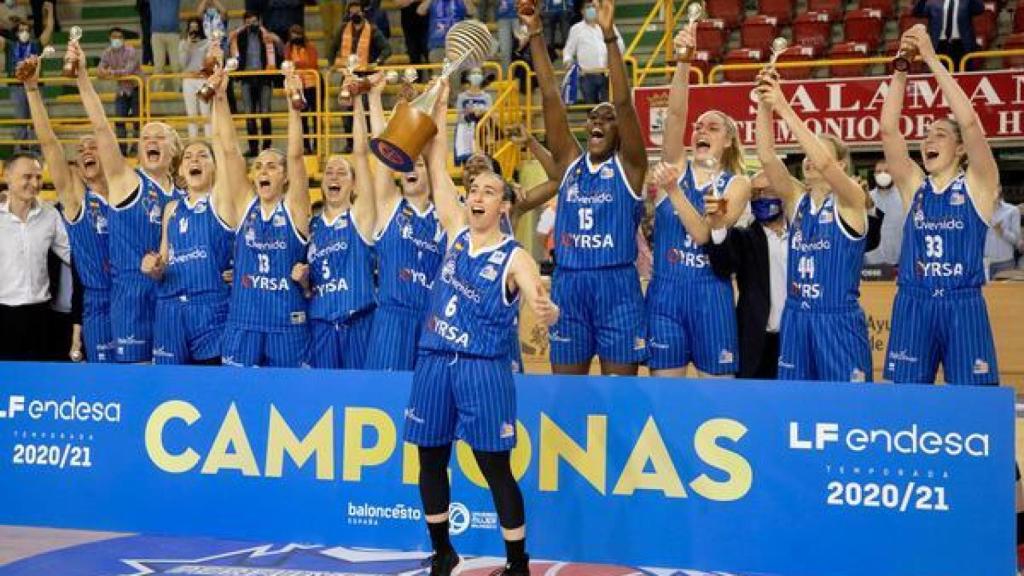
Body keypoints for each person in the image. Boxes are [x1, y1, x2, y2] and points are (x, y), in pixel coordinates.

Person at [406, 78, 559, 576]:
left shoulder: (512, 256)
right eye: (473, 189)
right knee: (430, 459)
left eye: (489, 191)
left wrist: (545, 309)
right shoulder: (454, 231)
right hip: (433, 361)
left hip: (483, 369)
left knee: (496, 468)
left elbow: (535, 289)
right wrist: (443, 108)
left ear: (505, 206)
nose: (476, 196)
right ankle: (442, 551)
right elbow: (433, 160)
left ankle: (518, 563)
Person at [525, 0, 649, 376]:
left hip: (618, 288)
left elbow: (625, 102)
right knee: (568, 395)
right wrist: (534, 32)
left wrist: (610, 37)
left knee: (620, 395)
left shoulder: (631, 167)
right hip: (570, 286)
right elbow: (550, 95)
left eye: (607, 119)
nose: (597, 120)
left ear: (618, 131)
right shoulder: (569, 165)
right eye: (593, 116)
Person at [880, 24, 999, 385]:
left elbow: (970, 122)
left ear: (960, 148)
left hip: (963, 303)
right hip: (914, 302)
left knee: (973, 401)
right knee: (903, 401)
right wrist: (902, 68)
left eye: (940, 135)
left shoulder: (979, 183)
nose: (929, 139)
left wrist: (931, 57)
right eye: (926, 134)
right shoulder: (915, 185)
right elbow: (888, 131)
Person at [644, 26, 750, 378]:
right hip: (666, 292)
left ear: (730, 142)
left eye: (713, 127)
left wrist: (674, 192)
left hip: (711, 295)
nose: (701, 130)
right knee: (665, 395)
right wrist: (683, 62)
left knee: (717, 394)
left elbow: (707, 235)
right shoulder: (675, 165)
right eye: (700, 126)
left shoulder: (736, 184)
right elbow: (675, 115)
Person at [72, 39, 184, 363]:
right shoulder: (126, 180)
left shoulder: (180, 198)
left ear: (173, 150)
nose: (150, 140)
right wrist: (82, 77)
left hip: (171, 294)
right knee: (135, 379)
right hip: (132, 293)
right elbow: (101, 127)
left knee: (168, 378)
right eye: (145, 137)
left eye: (159, 137)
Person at [756, 70, 872, 383]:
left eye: (816, 151)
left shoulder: (851, 199)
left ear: (842, 165)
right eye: (806, 153)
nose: (809, 158)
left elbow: (825, 164)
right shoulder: (797, 200)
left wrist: (783, 105)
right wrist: (764, 103)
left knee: (847, 408)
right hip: (796, 317)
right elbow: (766, 156)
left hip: (837, 319)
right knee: (795, 405)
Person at [212, 58, 313, 368]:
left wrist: (293, 108)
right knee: (235, 402)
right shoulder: (245, 205)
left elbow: (295, 157)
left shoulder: (295, 208)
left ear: (283, 177)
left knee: (289, 403)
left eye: (272, 165)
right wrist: (220, 97)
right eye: (258, 166)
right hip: (244, 319)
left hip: (287, 321)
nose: (263, 170)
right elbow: (229, 152)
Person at [23, 54, 115, 363]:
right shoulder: (77, 200)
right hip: (98, 302)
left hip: (142, 296)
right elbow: (49, 144)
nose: (86, 152)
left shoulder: (132, 193)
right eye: (80, 151)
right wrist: (33, 90)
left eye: (93, 147)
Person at [140, 118, 239, 364]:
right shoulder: (172, 209)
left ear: (215, 167)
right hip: (170, 309)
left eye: (203, 156)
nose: (194, 160)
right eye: (188, 157)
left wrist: (217, 98)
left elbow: (227, 149)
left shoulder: (221, 201)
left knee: (210, 388)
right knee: (168, 391)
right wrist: (153, 267)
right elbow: (162, 264)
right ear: (181, 170)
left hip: (210, 307)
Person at [297, 74, 377, 370]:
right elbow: (309, 286)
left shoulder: (360, 217)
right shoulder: (312, 227)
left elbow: (361, 152)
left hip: (357, 323)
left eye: (341, 172)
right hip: (320, 325)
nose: (333, 176)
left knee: (358, 396)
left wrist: (357, 102)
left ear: (354, 186)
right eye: (329, 172)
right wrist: (304, 280)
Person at [364, 78, 445, 371]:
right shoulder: (389, 206)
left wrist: (439, 108)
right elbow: (384, 152)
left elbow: (438, 158)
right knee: (385, 397)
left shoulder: (443, 217)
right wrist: (375, 98)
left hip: (430, 322)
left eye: (419, 164)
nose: (412, 167)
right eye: (408, 163)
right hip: (391, 321)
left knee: (426, 405)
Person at [707, 172, 788, 379]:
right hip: (757, 343)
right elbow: (723, 265)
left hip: (795, 339)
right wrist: (717, 225)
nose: (760, 198)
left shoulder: (803, 232)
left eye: (767, 191)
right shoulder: (744, 237)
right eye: (755, 194)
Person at [0, 153, 71, 361]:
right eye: (27, 177)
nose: (35, 183)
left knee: (36, 385)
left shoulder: (50, 215)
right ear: (7, 177)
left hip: (40, 314)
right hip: (3, 314)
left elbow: (70, 253)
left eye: (38, 177)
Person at [229, 12, 283, 157]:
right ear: (244, 23)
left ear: (259, 21)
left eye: (254, 21)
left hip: (264, 78)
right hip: (246, 78)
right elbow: (231, 49)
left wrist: (277, 40)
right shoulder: (239, 37)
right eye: (249, 22)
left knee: (265, 112)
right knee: (249, 114)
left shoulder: (267, 36)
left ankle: (266, 147)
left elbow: (280, 50)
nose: (252, 24)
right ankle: (253, 148)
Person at [0, 5, 52, 148]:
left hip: (36, 87)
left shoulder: (36, 44)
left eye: (26, 30)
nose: (24, 33)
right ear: (16, 33)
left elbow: (48, 30)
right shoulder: (10, 45)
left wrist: (51, 12)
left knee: (38, 120)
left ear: (30, 32)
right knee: (20, 121)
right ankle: (19, 151)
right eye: (21, 31)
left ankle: (37, 151)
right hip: (17, 87)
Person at [562, 1, 623, 105]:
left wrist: (614, 60)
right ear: (582, 11)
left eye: (594, 7)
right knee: (591, 111)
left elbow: (620, 45)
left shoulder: (608, 25)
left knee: (608, 109)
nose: (592, 10)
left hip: (607, 74)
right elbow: (568, 51)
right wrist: (568, 62)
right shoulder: (576, 29)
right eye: (588, 7)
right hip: (587, 76)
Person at [98, 27, 142, 154]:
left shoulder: (131, 51)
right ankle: (121, 150)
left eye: (119, 37)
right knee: (119, 119)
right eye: (114, 37)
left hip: (136, 87)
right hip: (122, 89)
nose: (116, 39)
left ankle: (136, 148)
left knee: (137, 120)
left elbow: (128, 71)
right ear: (109, 39)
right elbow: (100, 69)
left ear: (123, 39)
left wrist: (110, 72)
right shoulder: (107, 52)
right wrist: (103, 71)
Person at [912, 0, 984, 69]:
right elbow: (917, 13)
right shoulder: (933, 2)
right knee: (940, 76)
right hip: (939, 45)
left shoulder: (966, 1)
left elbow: (980, 9)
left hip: (962, 45)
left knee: (963, 77)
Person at [284, 24, 319, 154]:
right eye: (293, 36)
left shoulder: (310, 47)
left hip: (312, 85)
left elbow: (313, 63)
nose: (295, 38)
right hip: (298, 86)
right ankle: (305, 146)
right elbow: (287, 63)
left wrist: (296, 64)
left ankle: (316, 144)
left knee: (315, 116)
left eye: (297, 35)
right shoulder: (288, 47)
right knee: (302, 117)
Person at [330, 0, 391, 70]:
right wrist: (331, 64)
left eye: (357, 12)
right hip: (348, 71)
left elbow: (387, 49)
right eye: (352, 13)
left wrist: (377, 62)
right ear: (349, 15)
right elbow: (332, 48)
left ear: (363, 13)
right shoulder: (343, 28)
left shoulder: (372, 29)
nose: (355, 15)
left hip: (367, 71)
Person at [864, 160, 904, 266]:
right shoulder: (866, 198)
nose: (883, 175)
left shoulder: (904, 197)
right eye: (879, 171)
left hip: (900, 264)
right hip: (870, 265)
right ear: (874, 175)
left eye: (887, 171)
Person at [179, 18, 212, 139]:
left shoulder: (207, 43)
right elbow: (182, 64)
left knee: (206, 112)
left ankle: (209, 141)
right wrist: (188, 46)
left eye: (196, 27)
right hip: (188, 81)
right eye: (191, 27)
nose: (194, 30)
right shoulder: (183, 44)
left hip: (205, 80)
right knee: (191, 113)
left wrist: (201, 71)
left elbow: (210, 62)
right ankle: (193, 140)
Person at [453, 68, 491, 166]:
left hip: (482, 131)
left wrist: (481, 112)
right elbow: (459, 116)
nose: (476, 75)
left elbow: (490, 113)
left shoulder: (487, 97)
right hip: (466, 129)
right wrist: (469, 114)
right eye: (474, 73)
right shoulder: (462, 97)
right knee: (467, 161)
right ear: (468, 77)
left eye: (479, 73)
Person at [984, 191, 1019, 278]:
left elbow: (1016, 240)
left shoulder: (1012, 210)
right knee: (984, 291)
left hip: (1005, 263)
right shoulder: (979, 211)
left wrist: (1002, 231)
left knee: (1006, 291)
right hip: (983, 264)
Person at [150, 0, 182, 91]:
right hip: (157, 34)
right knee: (158, 64)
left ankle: (178, 87)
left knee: (176, 64)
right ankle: (158, 89)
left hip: (173, 33)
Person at [136, 0, 152, 66]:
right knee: (146, 40)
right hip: (146, 15)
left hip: (159, 18)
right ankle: (146, 62)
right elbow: (139, 6)